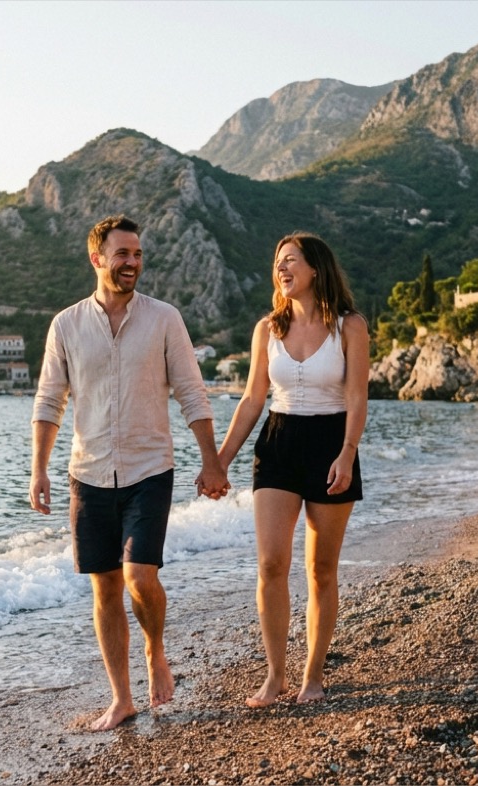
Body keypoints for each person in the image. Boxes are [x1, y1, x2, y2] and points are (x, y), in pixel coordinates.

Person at [29, 215, 230, 731]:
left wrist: (211, 460)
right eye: (123, 255)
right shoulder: (66, 326)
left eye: (138, 255)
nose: (133, 263)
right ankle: (121, 699)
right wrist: (39, 470)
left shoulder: (164, 319)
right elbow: (50, 400)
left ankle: (155, 648)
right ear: (97, 259)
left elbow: (191, 390)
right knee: (105, 589)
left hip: (149, 468)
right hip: (88, 472)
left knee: (140, 576)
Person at [215, 232, 368, 707]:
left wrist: (347, 451)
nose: (281, 269)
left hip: (330, 443)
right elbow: (252, 399)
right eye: (278, 262)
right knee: (271, 565)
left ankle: (314, 675)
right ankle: (275, 674)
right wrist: (219, 461)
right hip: (278, 443)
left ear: (316, 269)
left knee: (321, 570)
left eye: (291, 261)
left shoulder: (350, 326)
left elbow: (356, 397)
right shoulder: (267, 329)